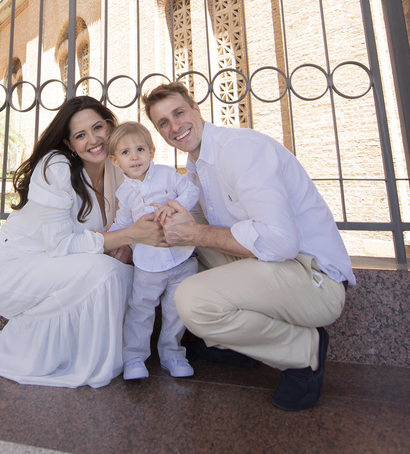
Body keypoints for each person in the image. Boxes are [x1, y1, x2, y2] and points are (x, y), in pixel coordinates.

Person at [143, 82, 355, 412]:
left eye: (179, 113)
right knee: (181, 260)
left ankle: (304, 351)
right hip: (276, 269)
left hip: (314, 280)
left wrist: (195, 234)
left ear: (197, 110)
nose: (174, 126)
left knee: (192, 299)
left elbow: (279, 242)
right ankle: (232, 343)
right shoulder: (197, 167)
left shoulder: (239, 149)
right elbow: (198, 230)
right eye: (163, 123)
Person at [0, 96, 165, 388]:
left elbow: (135, 216)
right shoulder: (56, 166)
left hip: (55, 265)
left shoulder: (120, 167)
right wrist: (129, 236)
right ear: (69, 144)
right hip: (11, 270)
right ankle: (50, 357)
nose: (93, 140)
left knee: (125, 273)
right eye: (80, 135)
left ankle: (72, 352)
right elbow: (62, 245)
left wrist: (126, 243)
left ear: (110, 127)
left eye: (98, 128)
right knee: (105, 272)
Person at [105, 121, 201, 381]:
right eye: (125, 153)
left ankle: (172, 354)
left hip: (181, 257)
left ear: (151, 152)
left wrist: (176, 207)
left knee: (175, 311)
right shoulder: (124, 193)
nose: (134, 157)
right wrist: (108, 239)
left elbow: (191, 190)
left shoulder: (167, 175)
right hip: (147, 265)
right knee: (140, 310)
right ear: (115, 161)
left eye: (139, 149)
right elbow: (123, 221)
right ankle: (134, 357)